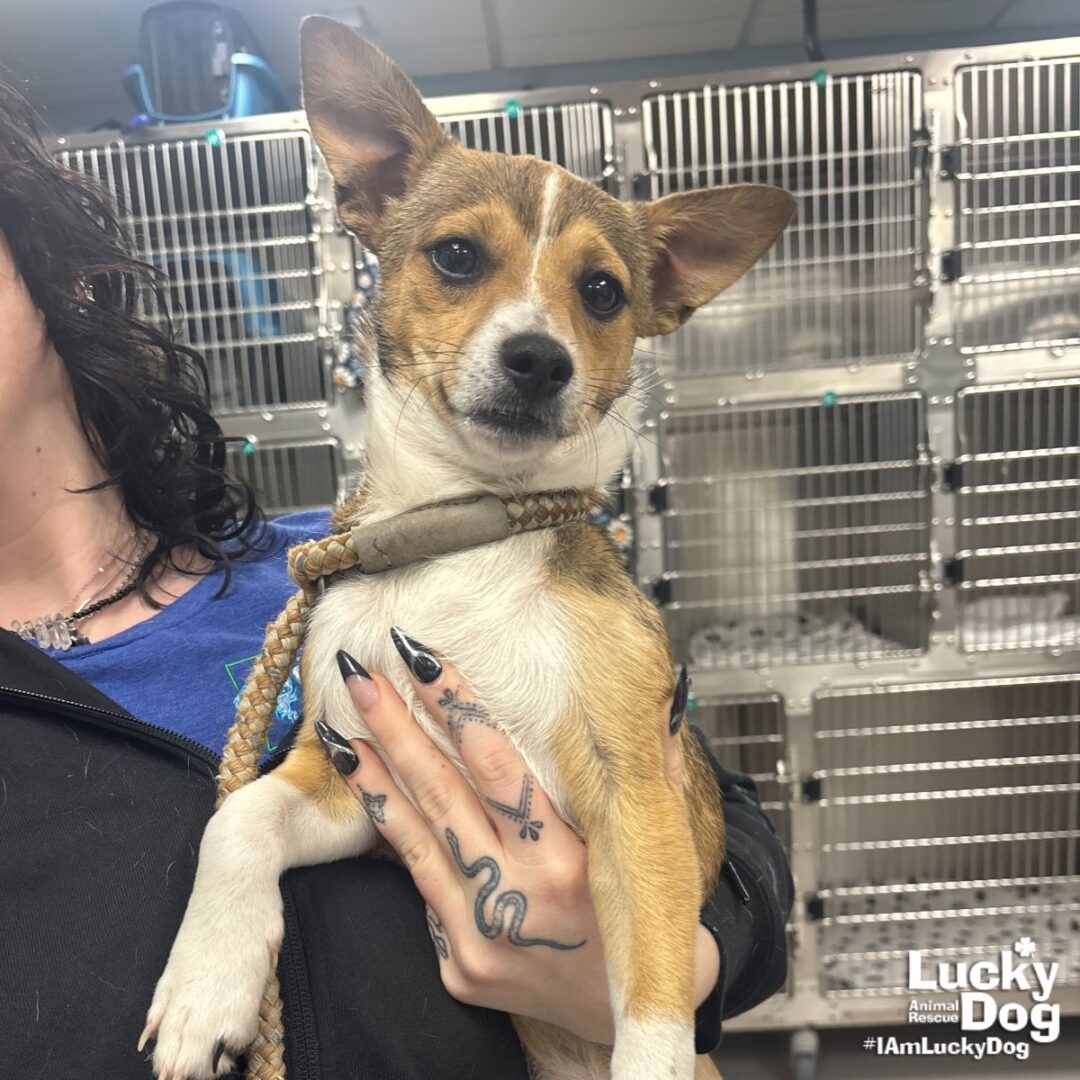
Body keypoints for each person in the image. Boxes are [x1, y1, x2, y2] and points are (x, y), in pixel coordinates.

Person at [0, 75, 792, 1079]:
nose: (538, 337)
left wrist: (680, 972)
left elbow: (720, 820)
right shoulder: (344, 600)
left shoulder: (314, 574)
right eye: (461, 258)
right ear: (374, 200)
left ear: (53, 268)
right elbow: (333, 794)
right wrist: (240, 853)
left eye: (598, 294)